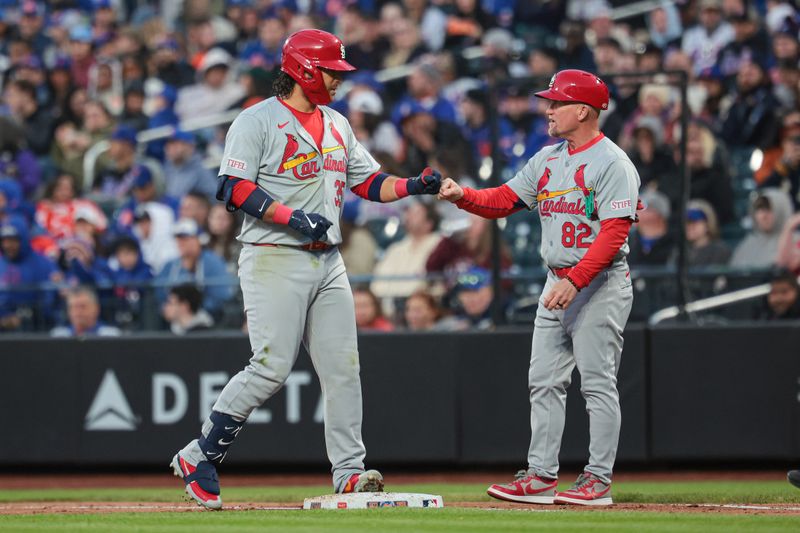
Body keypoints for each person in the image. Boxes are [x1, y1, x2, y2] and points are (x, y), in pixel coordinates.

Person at [171, 29, 443, 510]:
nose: (338, 80)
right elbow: (232, 188)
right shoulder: (256, 120)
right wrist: (290, 216)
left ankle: (350, 472)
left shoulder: (337, 124)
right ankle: (201, 454)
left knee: (344, 368)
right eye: (332, 71)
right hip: (273, 254)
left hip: (328, 259)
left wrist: (414, 185)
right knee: (271, 366)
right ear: (304, 70)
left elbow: (370, 182)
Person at [438, 69, 639, 506]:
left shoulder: (613, 163)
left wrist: (577, 280)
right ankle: (541, 476)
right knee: (543, 381)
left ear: (583, 110)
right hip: (558, 280)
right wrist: (463, 196)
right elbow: (504, 199)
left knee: (597, 384)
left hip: (599, 281)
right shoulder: (548, 158)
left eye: (557, 102)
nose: (547, 109)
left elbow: (613, 233)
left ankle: (598, 480)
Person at [50, 286, 122, 338]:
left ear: (96, 309)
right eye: (74, 307)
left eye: (83, 306)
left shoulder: (111, 336)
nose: (78, 312)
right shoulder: (58, 336)